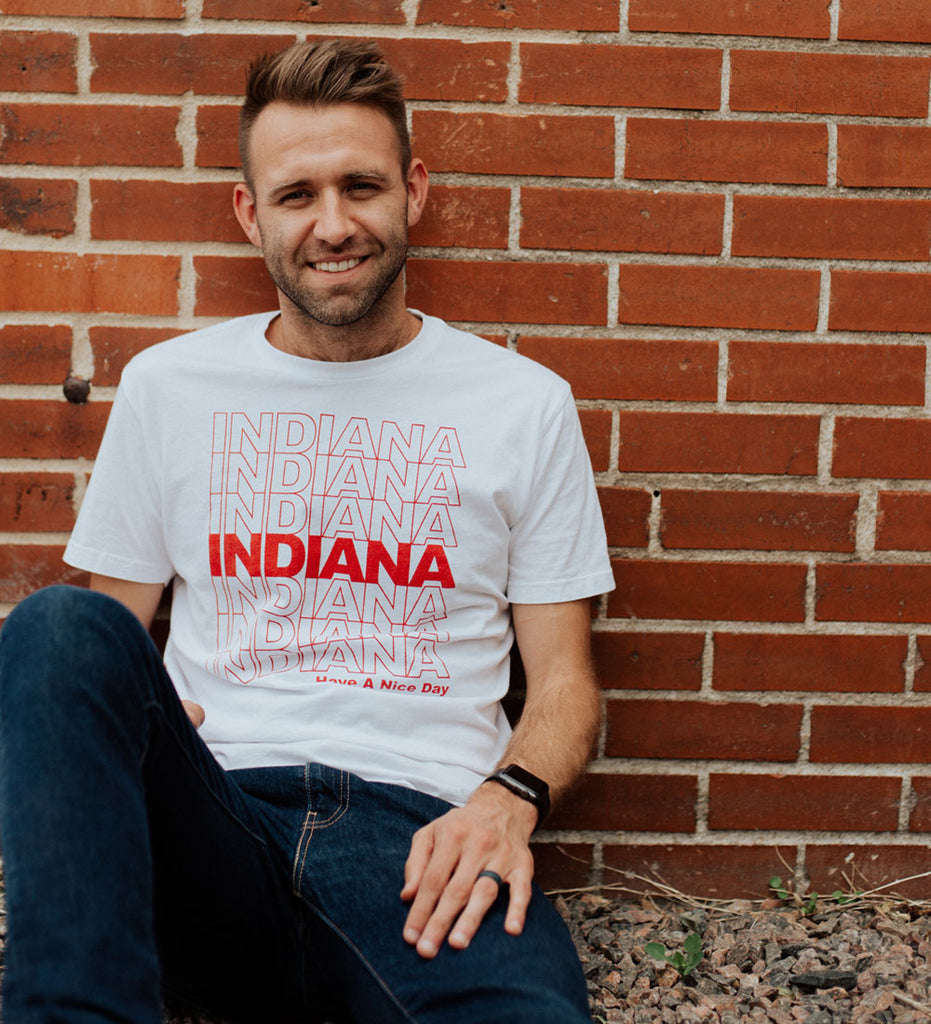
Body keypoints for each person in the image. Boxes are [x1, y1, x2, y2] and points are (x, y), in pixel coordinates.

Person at [0, 38, 614, 1024]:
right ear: (251, 213)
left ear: (413, 192)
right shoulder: (169, 386)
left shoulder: (523, 405)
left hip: (423, 850)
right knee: (49, 632)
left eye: (361, 186)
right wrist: (154, 730)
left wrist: (511, 798)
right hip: (218, 820)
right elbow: (102, 644)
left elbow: (567, 685)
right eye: (296, 196)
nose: (333, 225)